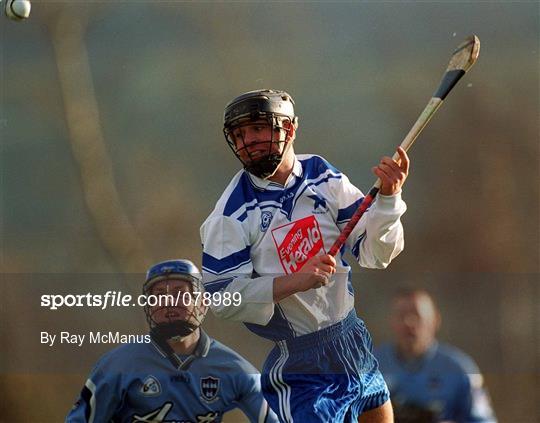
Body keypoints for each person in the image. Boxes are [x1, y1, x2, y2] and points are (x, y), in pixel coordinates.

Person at [200, 89, 410, 422]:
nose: (247, 140)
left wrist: (387, 200)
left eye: (256, 128)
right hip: (301, 366)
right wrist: (295, 282)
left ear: (290, 129)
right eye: (239, 134)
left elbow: (375, 254)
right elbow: (222, 299)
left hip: (353, 340)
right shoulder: (230, 215)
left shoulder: (323, 176)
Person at [66, 259, 277, 423]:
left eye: (179, 293)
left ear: (203, 303)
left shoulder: (234, 369)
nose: (168, 302)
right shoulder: (117, 366)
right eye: (158, 294)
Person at [375, 288, 497, 423]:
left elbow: (483, 419)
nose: (409, 323)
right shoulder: (370, 368)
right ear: (391, 321)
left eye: (417, 315)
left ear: (435, 320)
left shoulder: (460, 369)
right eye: (402, 315)